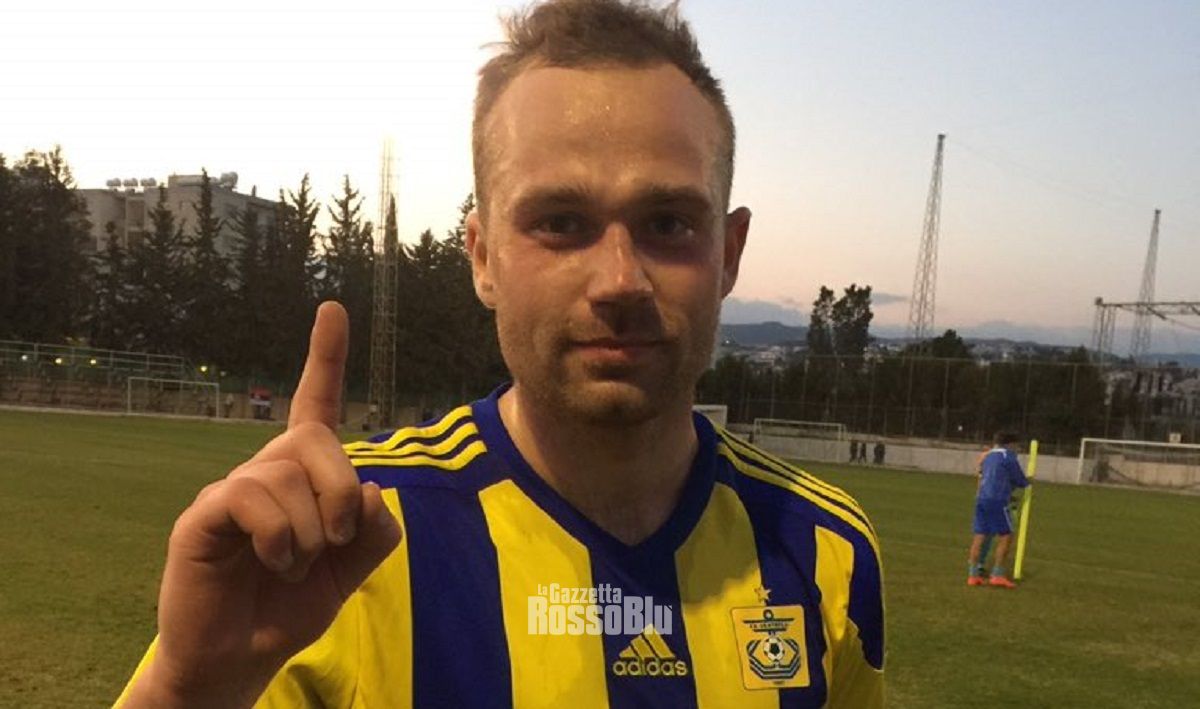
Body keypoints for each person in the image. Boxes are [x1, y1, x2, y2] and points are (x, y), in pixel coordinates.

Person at [117, 1, 884, 706]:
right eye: (560, 222)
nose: (620, 279)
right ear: (483, 257)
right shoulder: (346, 541)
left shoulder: (826, 550)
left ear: (730, 252)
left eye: (669, 222)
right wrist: (186, 689)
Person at [967, 431, 1031, 588]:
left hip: (982, 499)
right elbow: (1020, 481)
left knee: (980, 536)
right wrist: (1029, 480)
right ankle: (997, 574)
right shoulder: (1008, 457)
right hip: (997, 501)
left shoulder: (987, 456)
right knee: (1006, 535)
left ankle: (973, 574)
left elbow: (990, 478)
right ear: (1011, 444)